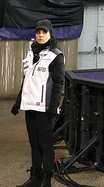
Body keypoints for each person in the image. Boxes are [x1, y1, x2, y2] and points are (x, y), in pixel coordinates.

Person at [11, 19, 65, 187]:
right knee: (34, 143)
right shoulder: (31, 53)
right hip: (29, 106)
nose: (40, 35)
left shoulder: (55, 55)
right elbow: (26, 81)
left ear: (50, 34)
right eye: (38, 32)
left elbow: (58, 83)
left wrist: (53, 107)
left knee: (46, 144)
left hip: (44, 108)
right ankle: (36, 177)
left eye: (44, 32)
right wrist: (18, 101)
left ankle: (46, 179)